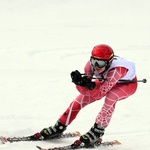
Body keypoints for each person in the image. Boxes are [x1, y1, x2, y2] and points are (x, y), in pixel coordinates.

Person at [32, 44, 138, 147]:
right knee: (78, 102)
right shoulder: (89, 66)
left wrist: (89, 86)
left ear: (109, 63)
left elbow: (100, 94)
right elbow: (85, 92)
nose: (96, 66)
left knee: (111, 97)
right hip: (105, 82)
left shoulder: (116, 70)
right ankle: (59, 126)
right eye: (94, 61)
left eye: (100, 63)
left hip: (126, 85)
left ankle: (97, 131)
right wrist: (80, 83)